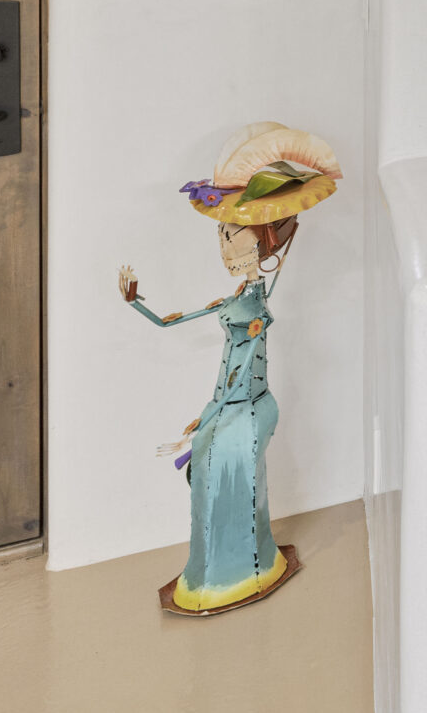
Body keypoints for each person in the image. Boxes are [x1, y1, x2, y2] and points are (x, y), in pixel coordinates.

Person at [118, 121, 339, 615]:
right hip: (230, 404)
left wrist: (212, 414)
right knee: (207, 468)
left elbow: (244, 369)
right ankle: (216, 570)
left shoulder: (256, 307)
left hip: (251, 406)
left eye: (234, 234)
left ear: (264, 241)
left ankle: (247, 568)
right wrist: (138, 304)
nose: (225, 245)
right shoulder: (236, 298)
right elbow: (176, 321)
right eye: (222, 233)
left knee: (224, 468)